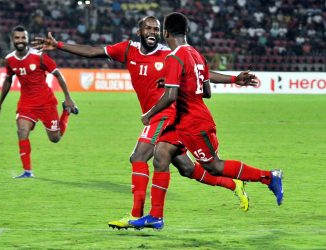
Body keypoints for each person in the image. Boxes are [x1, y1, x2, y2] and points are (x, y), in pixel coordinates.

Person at [32, 16, 257, 229]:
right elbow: (93, 51)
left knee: (138, 157)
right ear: (139, 31)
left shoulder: (169, 53)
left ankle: (136, 215)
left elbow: (201, 74)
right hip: (159, 116)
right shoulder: (127, 49)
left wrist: (234, 78)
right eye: (148, 28)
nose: (152, 32)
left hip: (167, 114)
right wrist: (59, 45)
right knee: (187, 169)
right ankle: (233, 183)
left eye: (156, 29)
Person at [129, 12, 283, 230]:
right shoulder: (195, 54)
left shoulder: (174, 57)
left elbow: (171, 97)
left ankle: (269, 177)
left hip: (194, 123)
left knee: (214, 166)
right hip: (183, 122)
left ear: (165, 33)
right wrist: (179, 83)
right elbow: (207, 91)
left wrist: (149, 114)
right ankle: (155, 217)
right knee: (161, 155)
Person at [0, 25, 78, 178]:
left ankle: (66, 112)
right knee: (22, 131)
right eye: (17, 38)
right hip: (26, 103)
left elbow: (58, 75)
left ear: (27, 39)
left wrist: (68, 98)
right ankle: (27, 171)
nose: (20, 40)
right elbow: (7, 80)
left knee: (55, 138)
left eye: (23, 37)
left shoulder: (39, 56)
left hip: (46, 102)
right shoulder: (10, 59)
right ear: (12, 39)